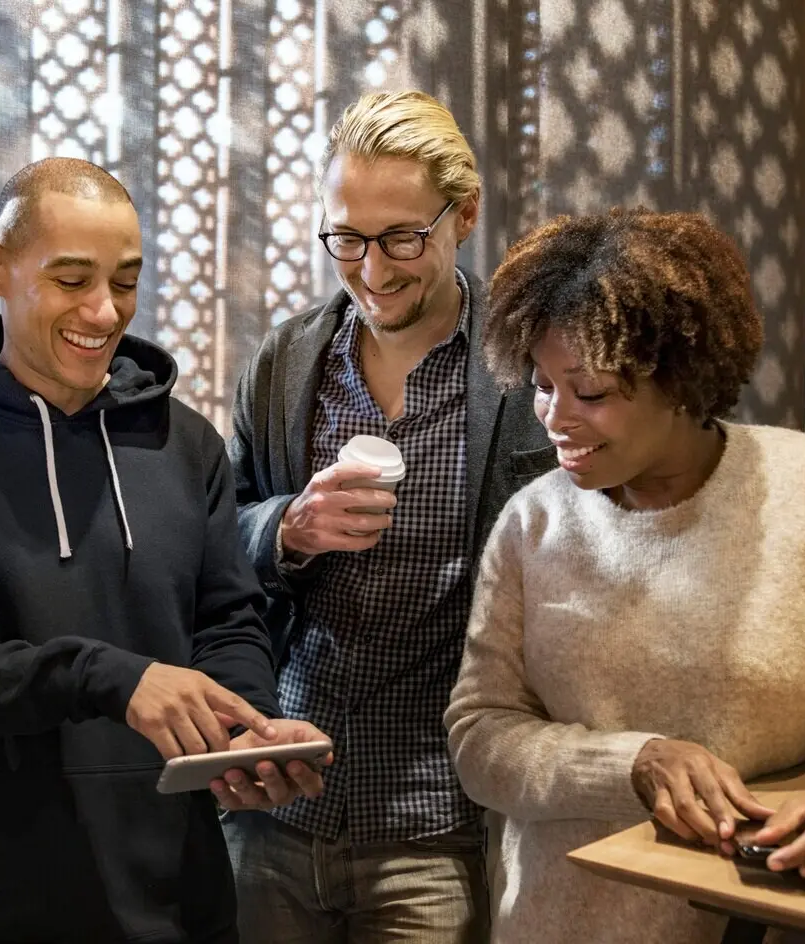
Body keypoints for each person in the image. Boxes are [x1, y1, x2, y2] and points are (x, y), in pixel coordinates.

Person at [0, 156, 328, 944]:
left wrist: (246, 731)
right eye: (72, 280)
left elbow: (228, 621)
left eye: (126, 282)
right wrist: (107, 678)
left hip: (182, 894)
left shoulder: (187, 444)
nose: (104, 312)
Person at [444, 207, 805, 943]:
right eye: (543, 385)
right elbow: (481, 735)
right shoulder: (533, 523)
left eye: (592, 392)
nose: (554, 418)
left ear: (679, 377)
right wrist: (630, 764)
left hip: (775, 919)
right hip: (561, 923)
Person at [224, 90, 554, 943]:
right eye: (348, 240)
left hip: (434, 820)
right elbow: (216, 542)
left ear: (464, 216)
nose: (373, 270)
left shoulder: (523, 376)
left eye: (403, 238)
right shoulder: (287, 364)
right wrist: (286, 528)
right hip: (280, 804)